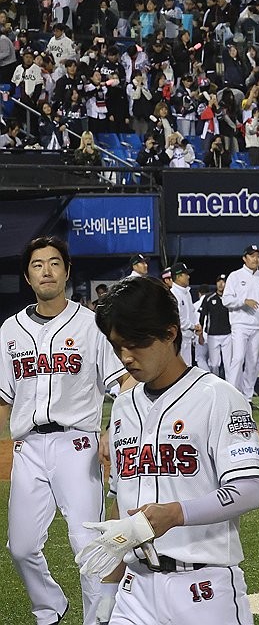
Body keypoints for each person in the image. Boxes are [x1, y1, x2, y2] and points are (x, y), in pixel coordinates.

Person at [84, 275, 259, 624]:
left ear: (170, 334)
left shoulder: (218, 397)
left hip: (203, 588)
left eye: (136, 343)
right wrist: (107, 591)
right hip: (134, 590)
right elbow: (119, 507)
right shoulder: (123, 407)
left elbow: (250, 490)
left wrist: (175, 514)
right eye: (117, 345)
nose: (125, 357)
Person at [1, 236, 132, 625]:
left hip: (78, 446)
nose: (47, 270)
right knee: (21, 547)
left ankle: (97, 620)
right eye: (38, 264)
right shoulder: (10, 329)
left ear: (67, 271)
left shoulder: (91, 323)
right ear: (28, 275)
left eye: (54, 263)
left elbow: (123, 380)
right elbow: (4, 396)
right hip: (27, 448)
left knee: (88, 543)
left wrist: (114, 427)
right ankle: (50, 607)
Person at [221, 244, 259, 406]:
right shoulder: (235, 276)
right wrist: (243, 301)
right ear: (244, 258)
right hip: (240, 324)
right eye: (252, 256)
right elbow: (226, 300)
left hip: (258, 325)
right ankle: (230, 396)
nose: (255, 259)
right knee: (237, 358)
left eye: (258, 256)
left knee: (253, 361)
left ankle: (247, 398)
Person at [169, 263, 206, 370]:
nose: (188, 277)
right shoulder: (173, 294)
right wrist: (193, 326)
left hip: (188, 338)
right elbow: (177, 319)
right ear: (179, 276)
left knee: (187, 368)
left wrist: (196, 325)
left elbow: (192, 312)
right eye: (186, 274)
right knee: (179, 370)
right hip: (178, 338)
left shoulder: (187, 293)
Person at [198, 275, 232, 379]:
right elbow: (202, 316)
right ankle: (216, 386)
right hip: (213, 335)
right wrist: (200, 335)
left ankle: (231, 387)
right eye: (219, 281)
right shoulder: (208, 298)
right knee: (214, 364)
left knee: (228, 364)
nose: (221, 284)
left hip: (228, 334)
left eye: (223, 281)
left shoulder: (231, 299)